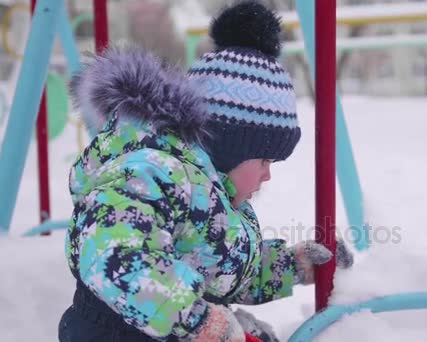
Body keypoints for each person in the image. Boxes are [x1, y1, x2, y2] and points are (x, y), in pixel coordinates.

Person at [58, 1, 353, 341]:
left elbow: (221, 268)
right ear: (230, 147)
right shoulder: (151, 173)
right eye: (263, 161)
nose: (267, 175)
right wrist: (196, 320)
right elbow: (113, 257)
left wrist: (293, 266)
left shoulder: (211, 193)